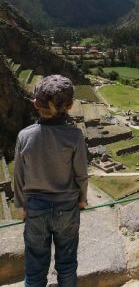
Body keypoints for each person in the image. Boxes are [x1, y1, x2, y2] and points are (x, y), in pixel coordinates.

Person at [14, 75, 88, 287]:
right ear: (70, 106)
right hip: (67, 207)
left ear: (36, 104)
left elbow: (18, 176)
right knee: (67, 264)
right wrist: (82, 199)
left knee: (35, 267)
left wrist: (22, 205)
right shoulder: (74, 136)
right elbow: (81, 174)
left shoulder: (25, 136)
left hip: (36, 209)